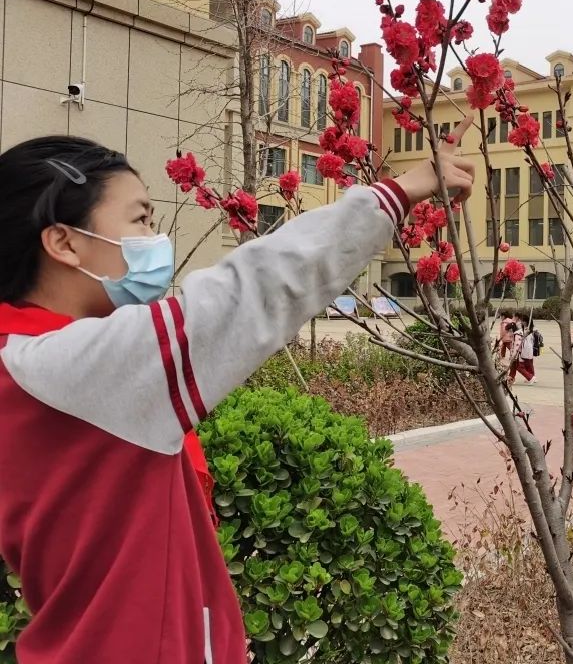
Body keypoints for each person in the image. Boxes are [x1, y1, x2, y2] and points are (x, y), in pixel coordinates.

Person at [0, 133, 473, 662]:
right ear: (63, 242)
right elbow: (255, 290)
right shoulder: (66, 367)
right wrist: (400, 191)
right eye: (139, 221)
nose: (155, 238)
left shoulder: (23, 363)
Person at [509, 321, 536, 385]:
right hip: (521, 353)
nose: (508, 333)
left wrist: (513, 356)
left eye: (509, 331)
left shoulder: (517, 335)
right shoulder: (518, 333)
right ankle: (511, 379)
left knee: (519, 367)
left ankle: (530, 377)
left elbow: (517, 346)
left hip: (517, 355)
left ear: (511, 329)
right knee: (513, 367)